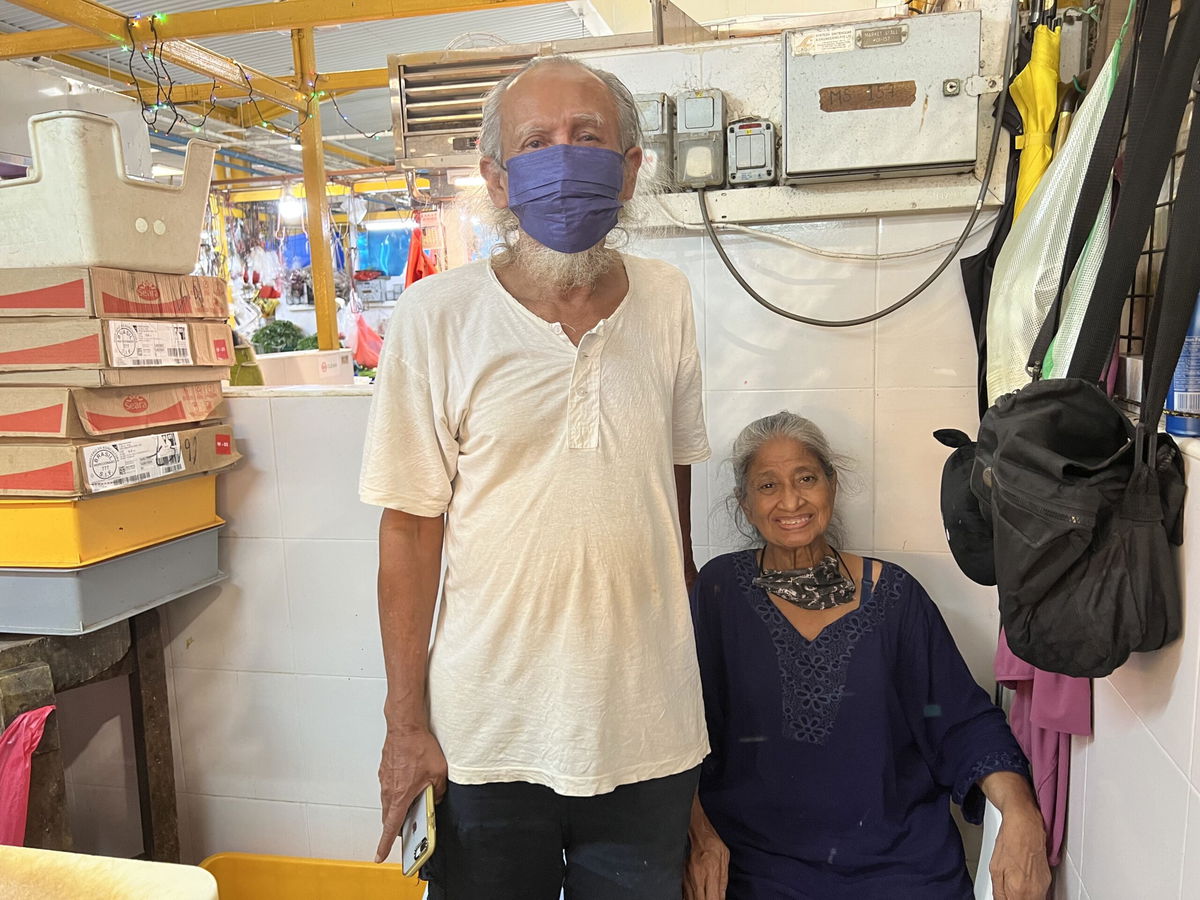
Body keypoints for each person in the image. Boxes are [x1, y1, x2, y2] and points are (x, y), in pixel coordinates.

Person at [359, 55, 711, 900]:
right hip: (487, 737)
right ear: (495, 177)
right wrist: (405, 723)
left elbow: (672, 497)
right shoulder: (436, 317)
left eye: (587, 138)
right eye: (536, 142)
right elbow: (408, 532)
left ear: (629, 169)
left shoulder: (668, 298)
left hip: (647, 730)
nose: (563, 157)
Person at [685, 412, 1051, 900]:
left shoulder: (894, 596)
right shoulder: (719, 592)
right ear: (745, 504)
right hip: (759, 867)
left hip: (898, 867)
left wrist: (1022, 814)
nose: (791, 501)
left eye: (807, 479)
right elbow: (675, 731)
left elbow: (960, 720)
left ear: (832, 486)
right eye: (768, 485)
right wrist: (700, 837)